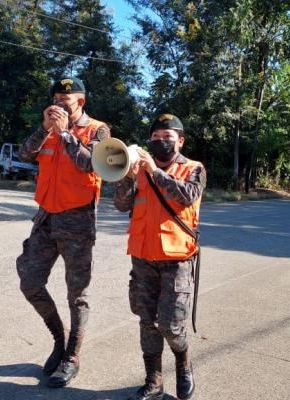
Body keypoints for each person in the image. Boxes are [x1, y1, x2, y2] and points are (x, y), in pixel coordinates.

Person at [15, 77, 111, 387]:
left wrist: (66, 133)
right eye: (55, 98)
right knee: (30, 281)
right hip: (46, 217)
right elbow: (23, 155)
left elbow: (89, 165)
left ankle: (72, 356)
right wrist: (45, 129)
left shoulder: (98, 130)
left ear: (80, 102)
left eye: (64, 100)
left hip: (78, 221)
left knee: (76, 294)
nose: (58, 104)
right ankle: (60, 337)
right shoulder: (48, 130)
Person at [113, 114, 205, 400]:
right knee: (148, 323)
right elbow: (121, 205)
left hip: (177, 259)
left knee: (171, 325)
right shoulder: (138, 171)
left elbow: (187, 196)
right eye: (155, 137)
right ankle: (153, 381)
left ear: (180, 141)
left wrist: (155, 172)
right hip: (143, 257)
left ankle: (183, 363)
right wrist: (128, 177)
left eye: (167, 137)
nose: (161, 141)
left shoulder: (193, 168)